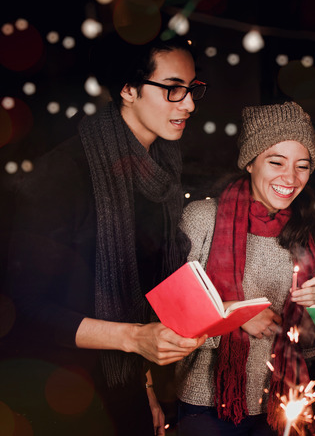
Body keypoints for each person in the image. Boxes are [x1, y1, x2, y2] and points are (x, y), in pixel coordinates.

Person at [3, 35, 208, 435]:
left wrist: (144, 386)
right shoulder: (63, 174)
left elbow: (138, 298)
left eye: (192, 89)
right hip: (56, 394)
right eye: (172, 89)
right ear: (128, 90)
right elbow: (21, 307)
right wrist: (133, 339)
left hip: (123, 388)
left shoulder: (161, 175)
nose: (188, 104)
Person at [175, 102, 315, 435]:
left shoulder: (305, 233)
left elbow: (302, 343)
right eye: (276, 162)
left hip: (279, 404)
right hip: (206, 402)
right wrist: (236, 315)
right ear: (250, 161)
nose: (290, 177)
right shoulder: (202, 218)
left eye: (302, 166)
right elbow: (171, 320)